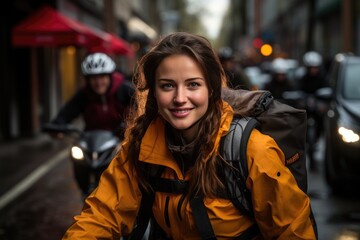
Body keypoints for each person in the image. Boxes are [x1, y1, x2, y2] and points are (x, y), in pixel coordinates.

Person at [62, 32, 316, 239]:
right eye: (167, 85)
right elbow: (102, 213)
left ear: (212, 89)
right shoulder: (141, 146)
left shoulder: (252, 150)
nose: (180, 99)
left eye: (193, 84)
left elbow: (292, 232)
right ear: (153, 93)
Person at [51, 52, 134, 139]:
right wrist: (57, 125)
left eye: (102, 77)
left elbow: (141, 107)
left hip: (122, 141)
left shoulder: (124, 89)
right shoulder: (84, 94)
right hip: (92, 142)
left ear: (110, 76)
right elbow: (67, 113)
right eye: (93, 78)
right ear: (88, 80)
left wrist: (130, 124)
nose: (98, 82)